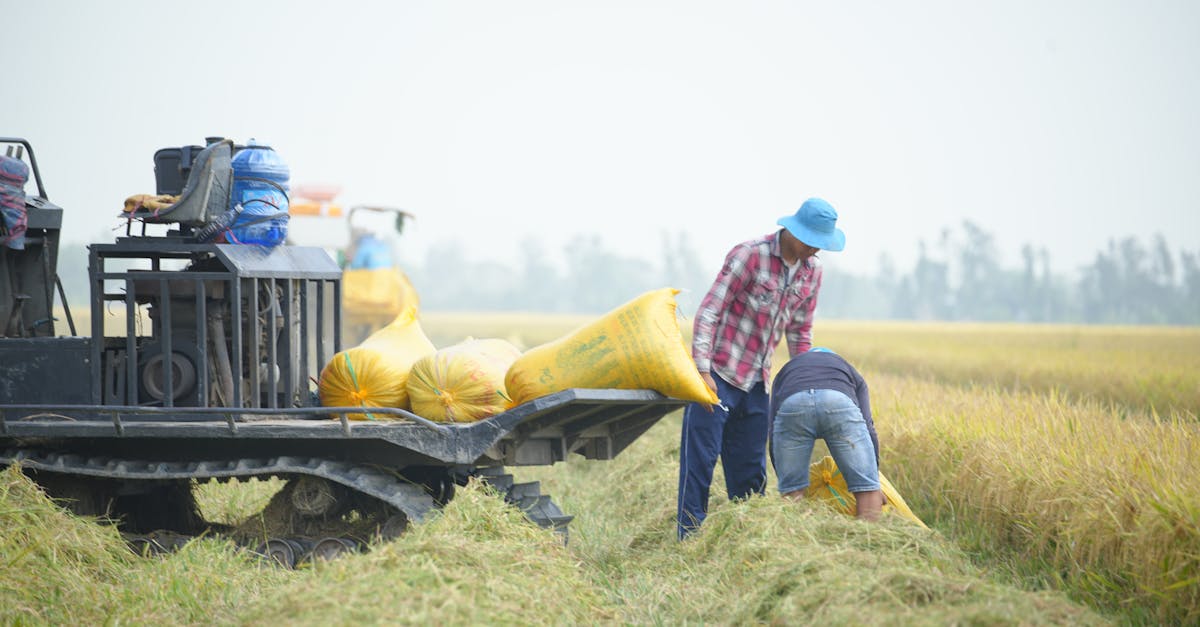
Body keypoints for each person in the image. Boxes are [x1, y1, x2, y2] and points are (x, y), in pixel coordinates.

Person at [677, 197, 845, 539]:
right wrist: (702, 371)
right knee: (701, 463)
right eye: (812, 242)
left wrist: (803, 380)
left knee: (751, 470)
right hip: (719, 375)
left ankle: (746, 540)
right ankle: (689, 538)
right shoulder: (750, 255)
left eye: (821, 245)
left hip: (757, 382)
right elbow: (710, 310)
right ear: (794, 232)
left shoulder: (813, 272)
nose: (816, 251)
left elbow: (800, 331)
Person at [770, 347, 883, 521]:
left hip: (794, 404)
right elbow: (868, 427)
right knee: (866, 488)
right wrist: (872, 477)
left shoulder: (787, 370)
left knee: (792, 492)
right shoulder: (847, 369)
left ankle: (794, 540)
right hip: (837, 401)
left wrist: (785, 478)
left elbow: (773, 429)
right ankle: (869, 540)